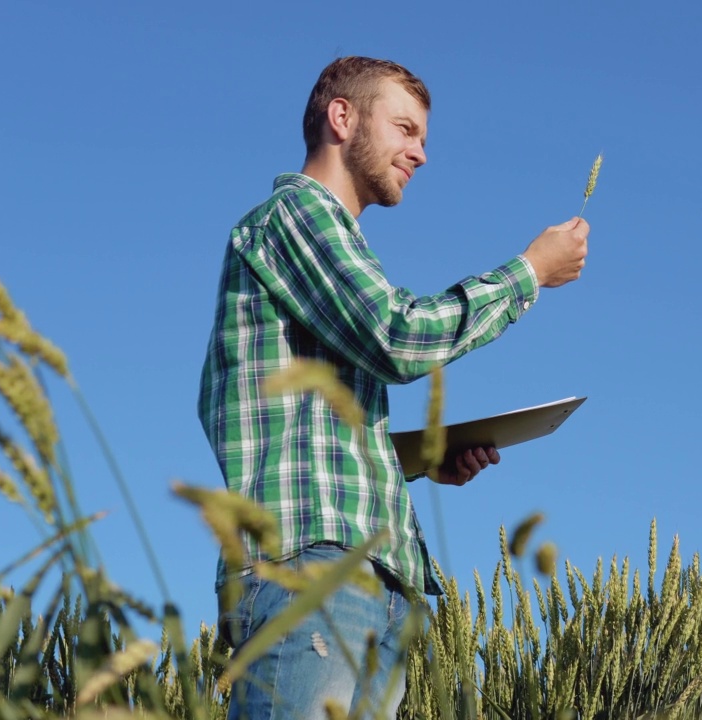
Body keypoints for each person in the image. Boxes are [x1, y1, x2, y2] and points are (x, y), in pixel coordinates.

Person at [197, 56, 589, 720]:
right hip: (315, 569)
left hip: (369, 580)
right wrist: (529, 273)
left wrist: (418, 462)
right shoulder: (294, 217)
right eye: (406, 129)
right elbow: (398, 336)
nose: (421, 154)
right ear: (342, 118)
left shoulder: (327, 243)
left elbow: (306, 438)